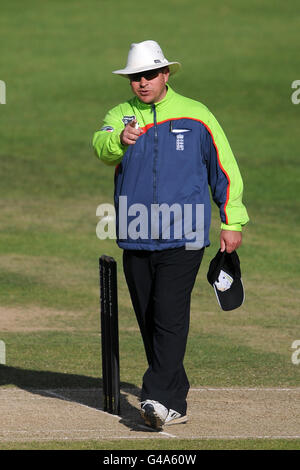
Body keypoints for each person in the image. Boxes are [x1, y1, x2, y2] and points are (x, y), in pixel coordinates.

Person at [92, 40, 249, 430]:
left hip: (186, 233)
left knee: (169, 315)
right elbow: (102, 146)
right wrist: (118, 140)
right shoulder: (121, 115)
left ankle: (157, 396)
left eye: (149, 75)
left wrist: (232, 220)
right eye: (135, 77)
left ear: (165, 74)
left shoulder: (197, 115)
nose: (142, 83)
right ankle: (175, 397)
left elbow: (224, 168)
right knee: (149, 317)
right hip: (136, 231)